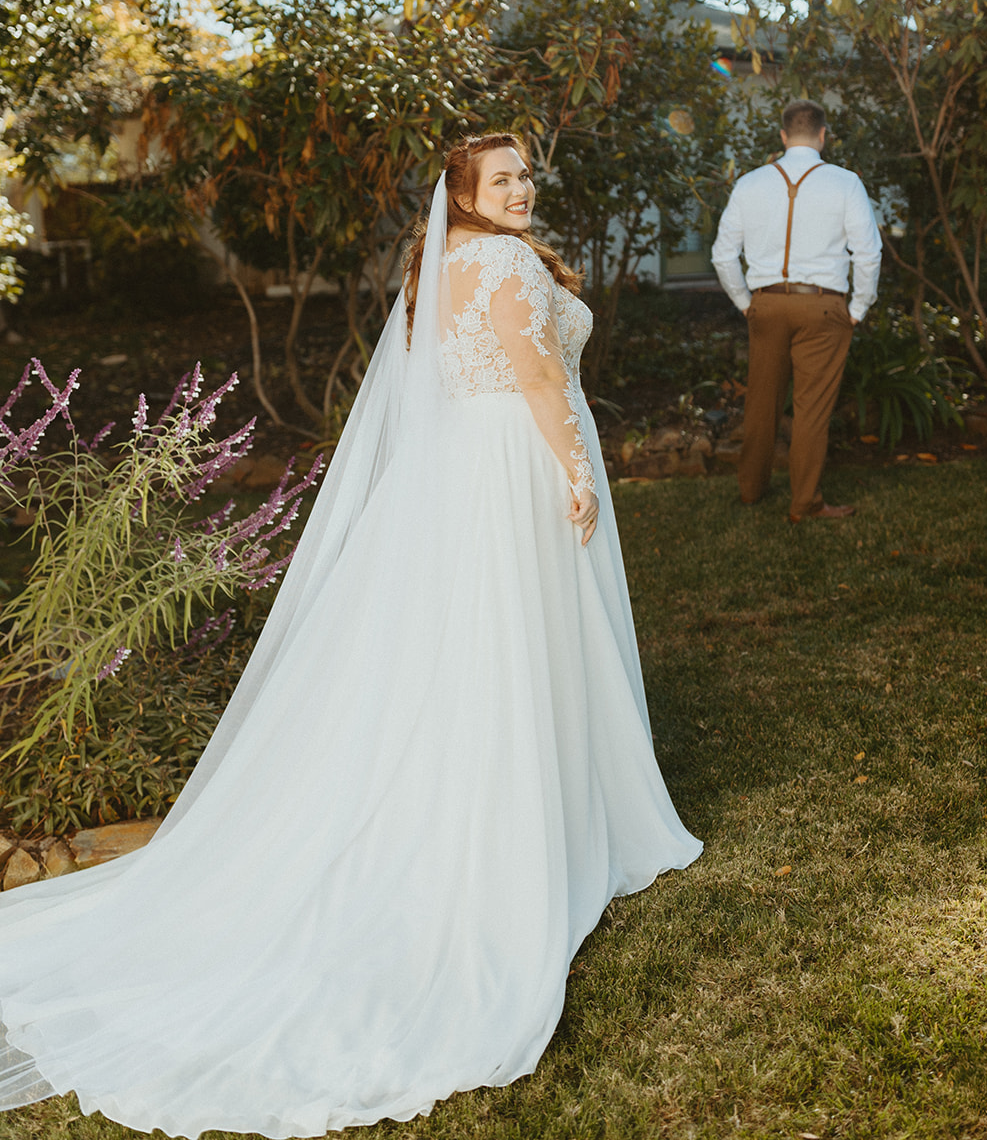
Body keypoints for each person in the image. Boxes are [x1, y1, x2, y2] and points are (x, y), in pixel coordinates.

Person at [0, 132, 701, 1139]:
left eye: (523, 176)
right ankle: (534, 815)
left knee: (476, 645)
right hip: (516, 461)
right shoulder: (500, 260)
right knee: (524, 637)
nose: (519, 189)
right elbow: (537, 376)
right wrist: (575, 470)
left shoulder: (443, 266)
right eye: (499, 179)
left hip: (465, 465)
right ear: (461, 193)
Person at [711, 100, 881, 522]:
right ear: (823, 135)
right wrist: (858, 307)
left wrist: (746, 303)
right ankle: (804, 503)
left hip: (766, 304)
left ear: (784, 136)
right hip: (823, 307)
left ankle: (751, 490)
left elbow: (722, 255)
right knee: (811, 409)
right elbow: (869, 253)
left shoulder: (750, 183)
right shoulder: (845, 183)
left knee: (761, 402)